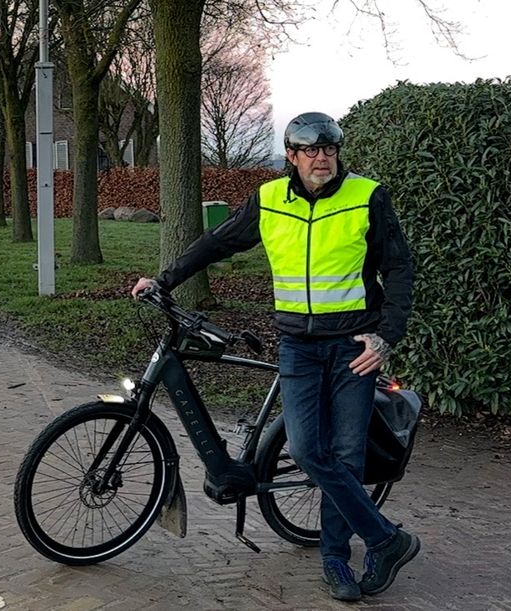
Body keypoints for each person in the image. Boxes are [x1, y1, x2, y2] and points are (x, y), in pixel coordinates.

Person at [132, 112, 418, 601]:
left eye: (329, 149)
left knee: (346, 457)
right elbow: (217, 243)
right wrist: (164, 279)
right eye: (310, 150)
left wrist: (385, 337)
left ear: (337, 152)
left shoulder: (367, 196)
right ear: (292, 155)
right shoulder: (268, 200)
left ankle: (335, 559)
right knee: (308, 451)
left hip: (354, 348)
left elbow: (400, 270)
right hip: (299, 346)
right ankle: (387, 539)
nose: (321, 158)